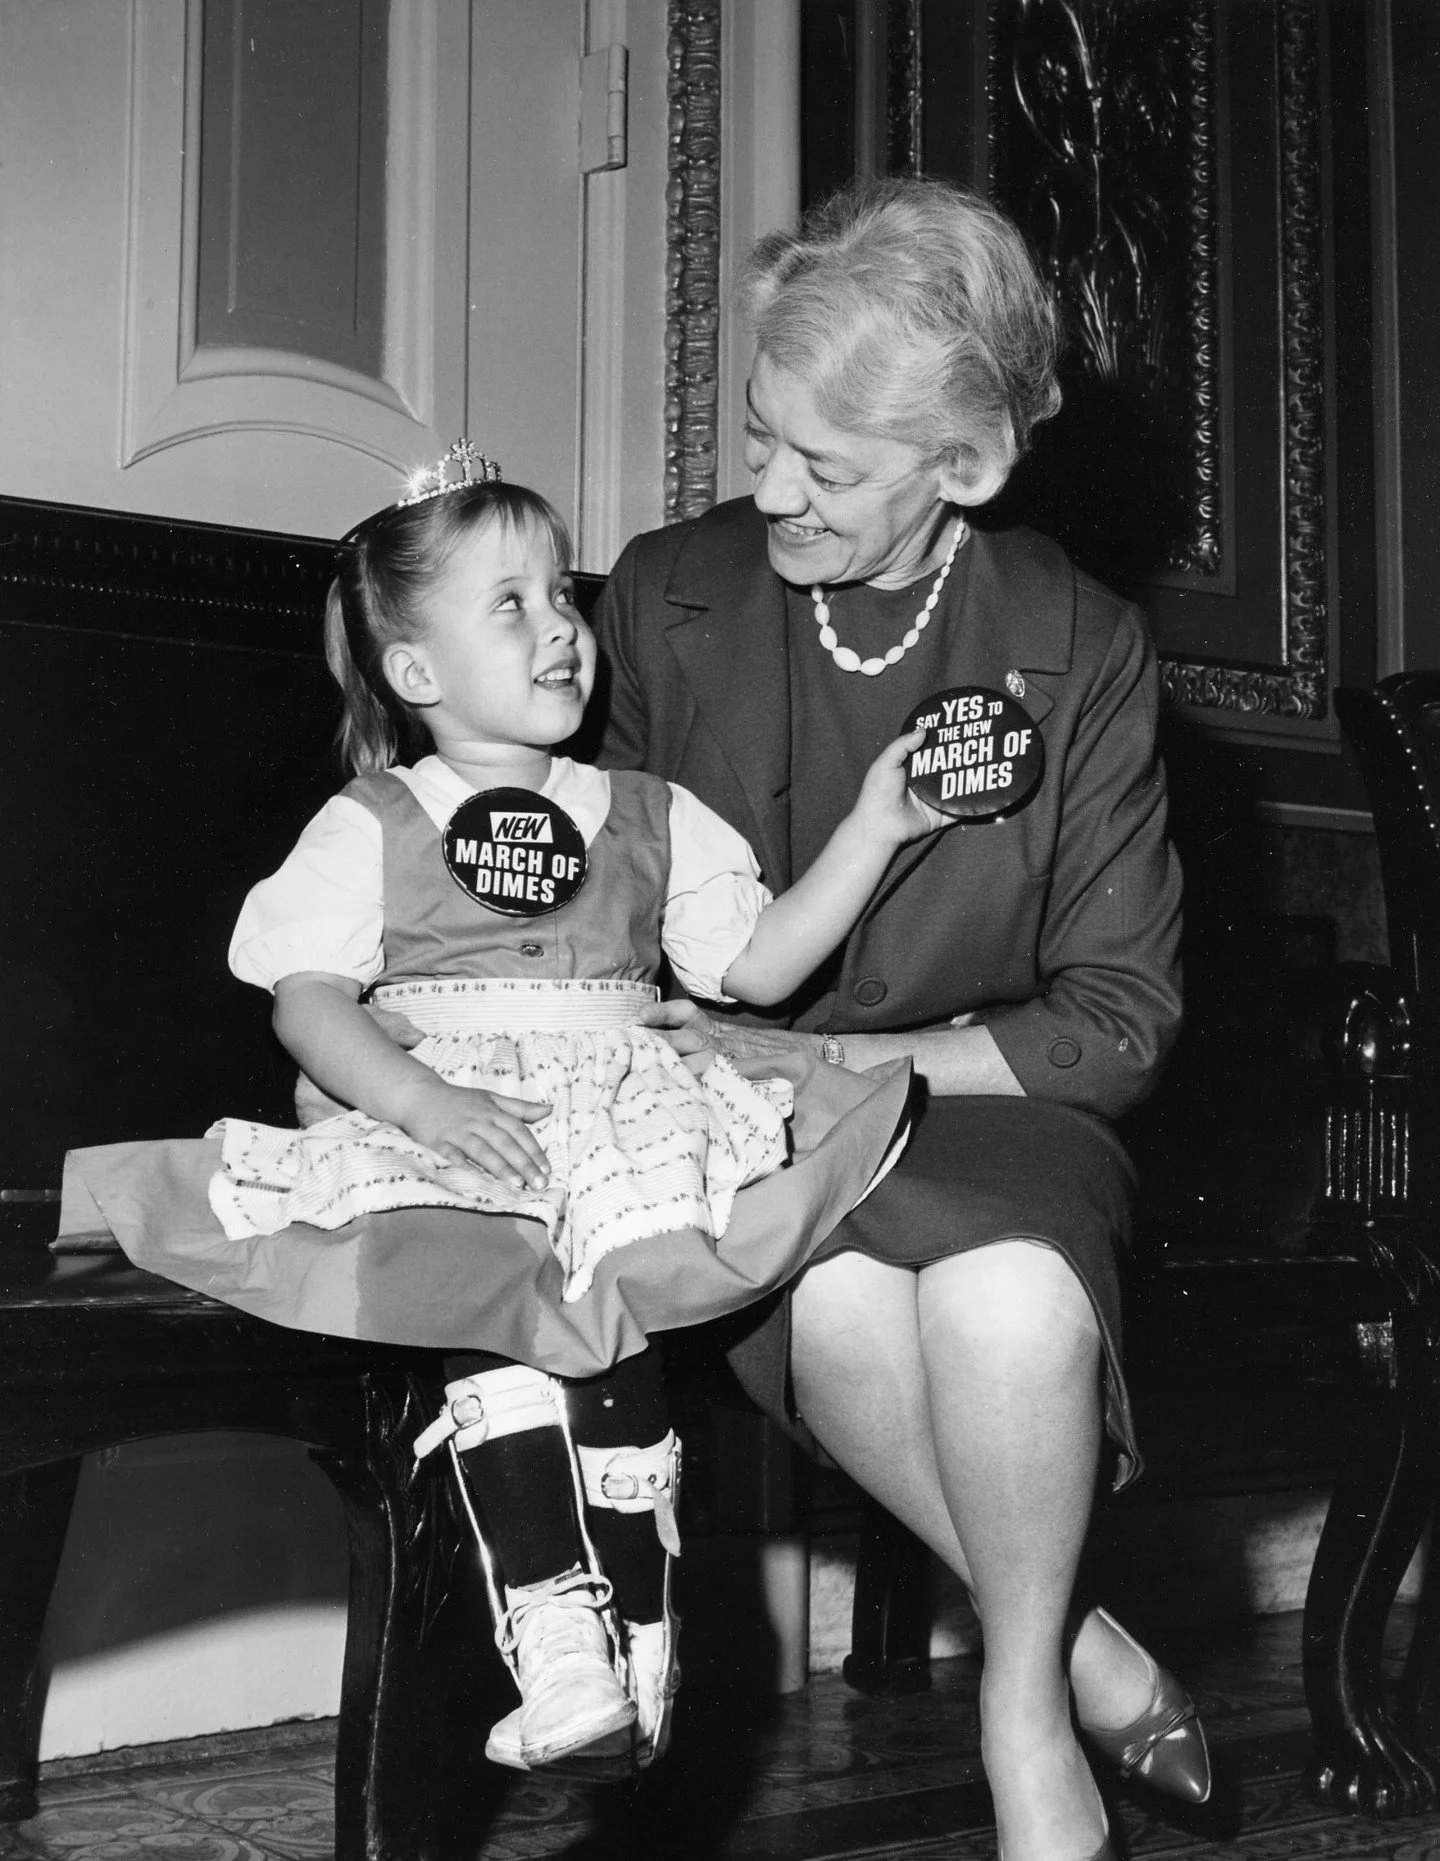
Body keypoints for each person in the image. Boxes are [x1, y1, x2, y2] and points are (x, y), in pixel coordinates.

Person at [59, 447, 916, 1779]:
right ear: (416, 673)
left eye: (560, 595)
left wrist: (875, 824)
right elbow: (309, 1000)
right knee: (483, 1286)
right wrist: (423, 1101)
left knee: (618, 1310)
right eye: (506, 605)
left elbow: (756, 968)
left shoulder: (651, 813)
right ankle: (557, 1623)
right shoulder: (376, 820)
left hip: (622, 1109)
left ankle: (640, 1618)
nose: (559, 626)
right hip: (455, 1111)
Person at [595, 177, 1198, 1861]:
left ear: (968, 466)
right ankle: (1067, 1651)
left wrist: (847, 1057)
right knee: (857, 1310)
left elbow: (1121, 1016)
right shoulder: (666, 596)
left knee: (1010, 1302)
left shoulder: (1077, 645)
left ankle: (1017, 1714)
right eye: (762, 438)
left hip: (996, 1111)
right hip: (753, 1128)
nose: (772, 491)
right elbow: (599, 925)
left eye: (831, 469)